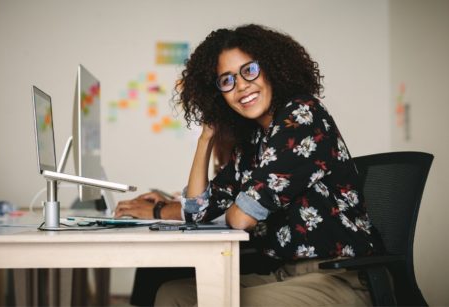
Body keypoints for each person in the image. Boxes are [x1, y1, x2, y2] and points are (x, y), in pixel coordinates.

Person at [115, 23, 384, 306]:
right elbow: (197, 211)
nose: (241, 85)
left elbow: (242, 218)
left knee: (217, 302)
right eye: (227, 80)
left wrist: (236, 208)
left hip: (337, 278)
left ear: (271, 69)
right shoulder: (253, 140)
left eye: (249, 70)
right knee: (170, 294)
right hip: (284, 275)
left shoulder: (302, 115)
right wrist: (206, 137)